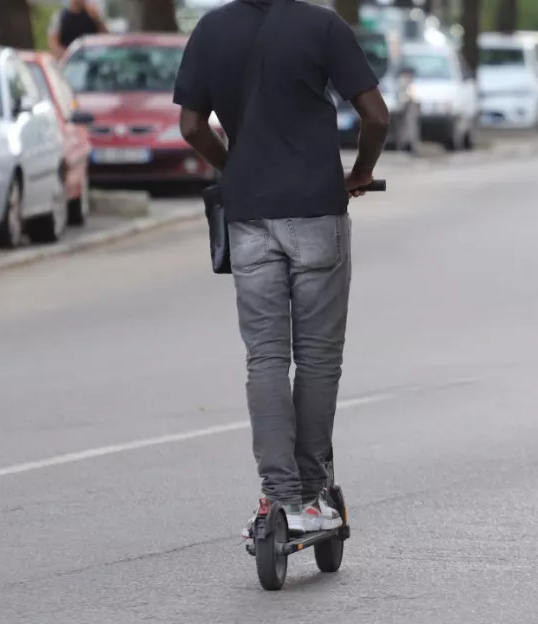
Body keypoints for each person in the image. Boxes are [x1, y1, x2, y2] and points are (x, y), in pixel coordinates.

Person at [173, 0, 390, 535]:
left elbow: (191, 124)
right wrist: (361, 170)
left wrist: (236, 166)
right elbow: (377, 115)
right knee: (316, 360)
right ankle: (313, 495)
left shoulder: (210, 29)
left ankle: (279, 497)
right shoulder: (322, 26)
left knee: (265, 358)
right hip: (317, 210)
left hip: (248, 217)